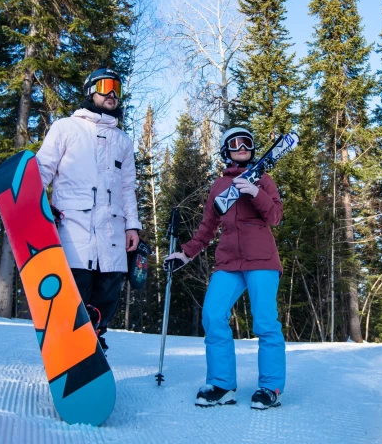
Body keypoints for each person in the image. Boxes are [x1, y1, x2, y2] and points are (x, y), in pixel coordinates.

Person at [164, 126, 286, 410]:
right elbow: (207, 228)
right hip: (229, 261)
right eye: (235, 143)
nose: (242, 147)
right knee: (212, 315)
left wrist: (255, 191)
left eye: (247, 142)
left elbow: (276, 216)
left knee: (265, 322)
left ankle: (270, 387)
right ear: (225, 150)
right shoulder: (219, 187)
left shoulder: (263, 179)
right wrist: (186, 254)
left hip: (262, 260)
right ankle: (222, 384)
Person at [35, 67, 141, 351]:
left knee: (108, 291)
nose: (111, 93)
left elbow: (127, 188)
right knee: (75, 293)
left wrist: (133, 225)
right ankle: (71, 348)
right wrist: (34, 204)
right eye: (105, 85)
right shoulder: (66, 128)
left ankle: (95, 345)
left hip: (113, 232)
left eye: (117, 88)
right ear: (89, 90)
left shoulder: (123, 141)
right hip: (74, 229)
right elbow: (43, 169)